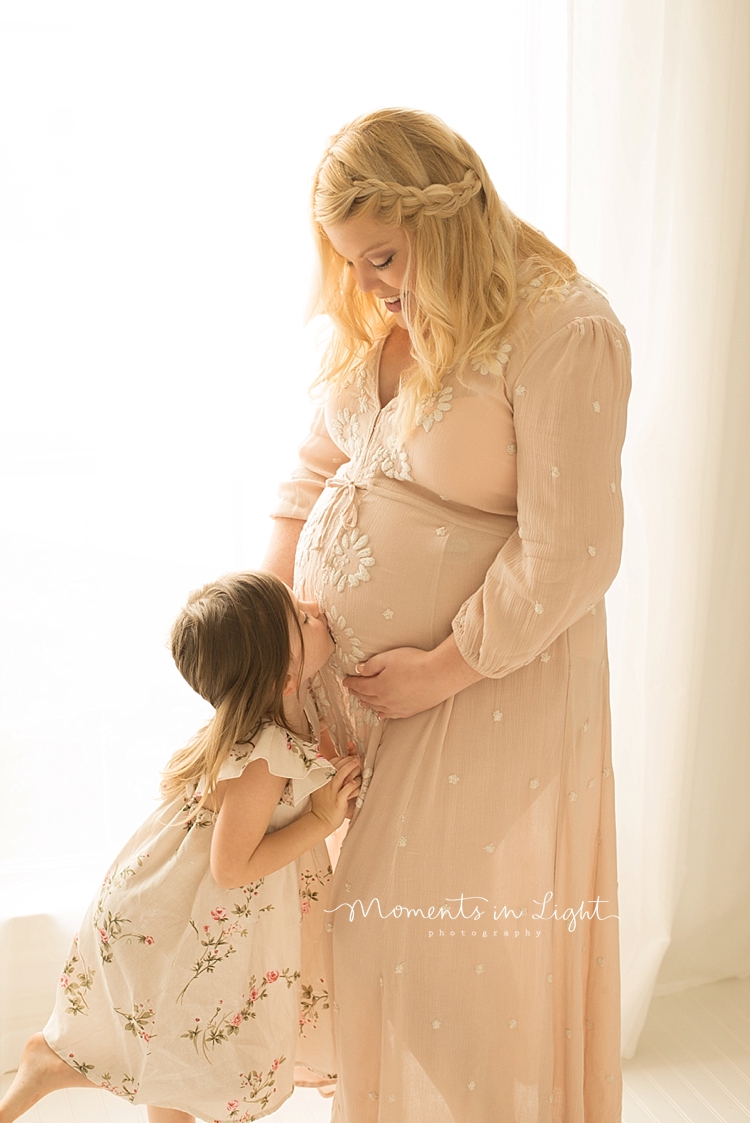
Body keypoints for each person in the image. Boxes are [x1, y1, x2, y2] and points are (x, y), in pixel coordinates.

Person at [263, 108, 631, 1122]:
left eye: (384, 253)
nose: (373, 283)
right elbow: (312, 471)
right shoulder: (386, 314)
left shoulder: (564, 329)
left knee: (400, 939)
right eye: (353, 264)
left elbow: (573, 553)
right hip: (354, 696)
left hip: (480, 690)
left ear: (450, 207)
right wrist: (273, 624)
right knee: (363, 940)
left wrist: (441, 666)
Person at [0, 571, 361, 1123]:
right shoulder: (265, 757)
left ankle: (50, 1064)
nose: (318, 606)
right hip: (193, 918)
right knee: (203, 1054)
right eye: (305, 619)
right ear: (287, 677)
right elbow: (231, 865)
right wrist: (321, 819)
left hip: (198, 916)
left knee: (181, 1053)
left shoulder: (275, 722)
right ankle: (52, 1065)